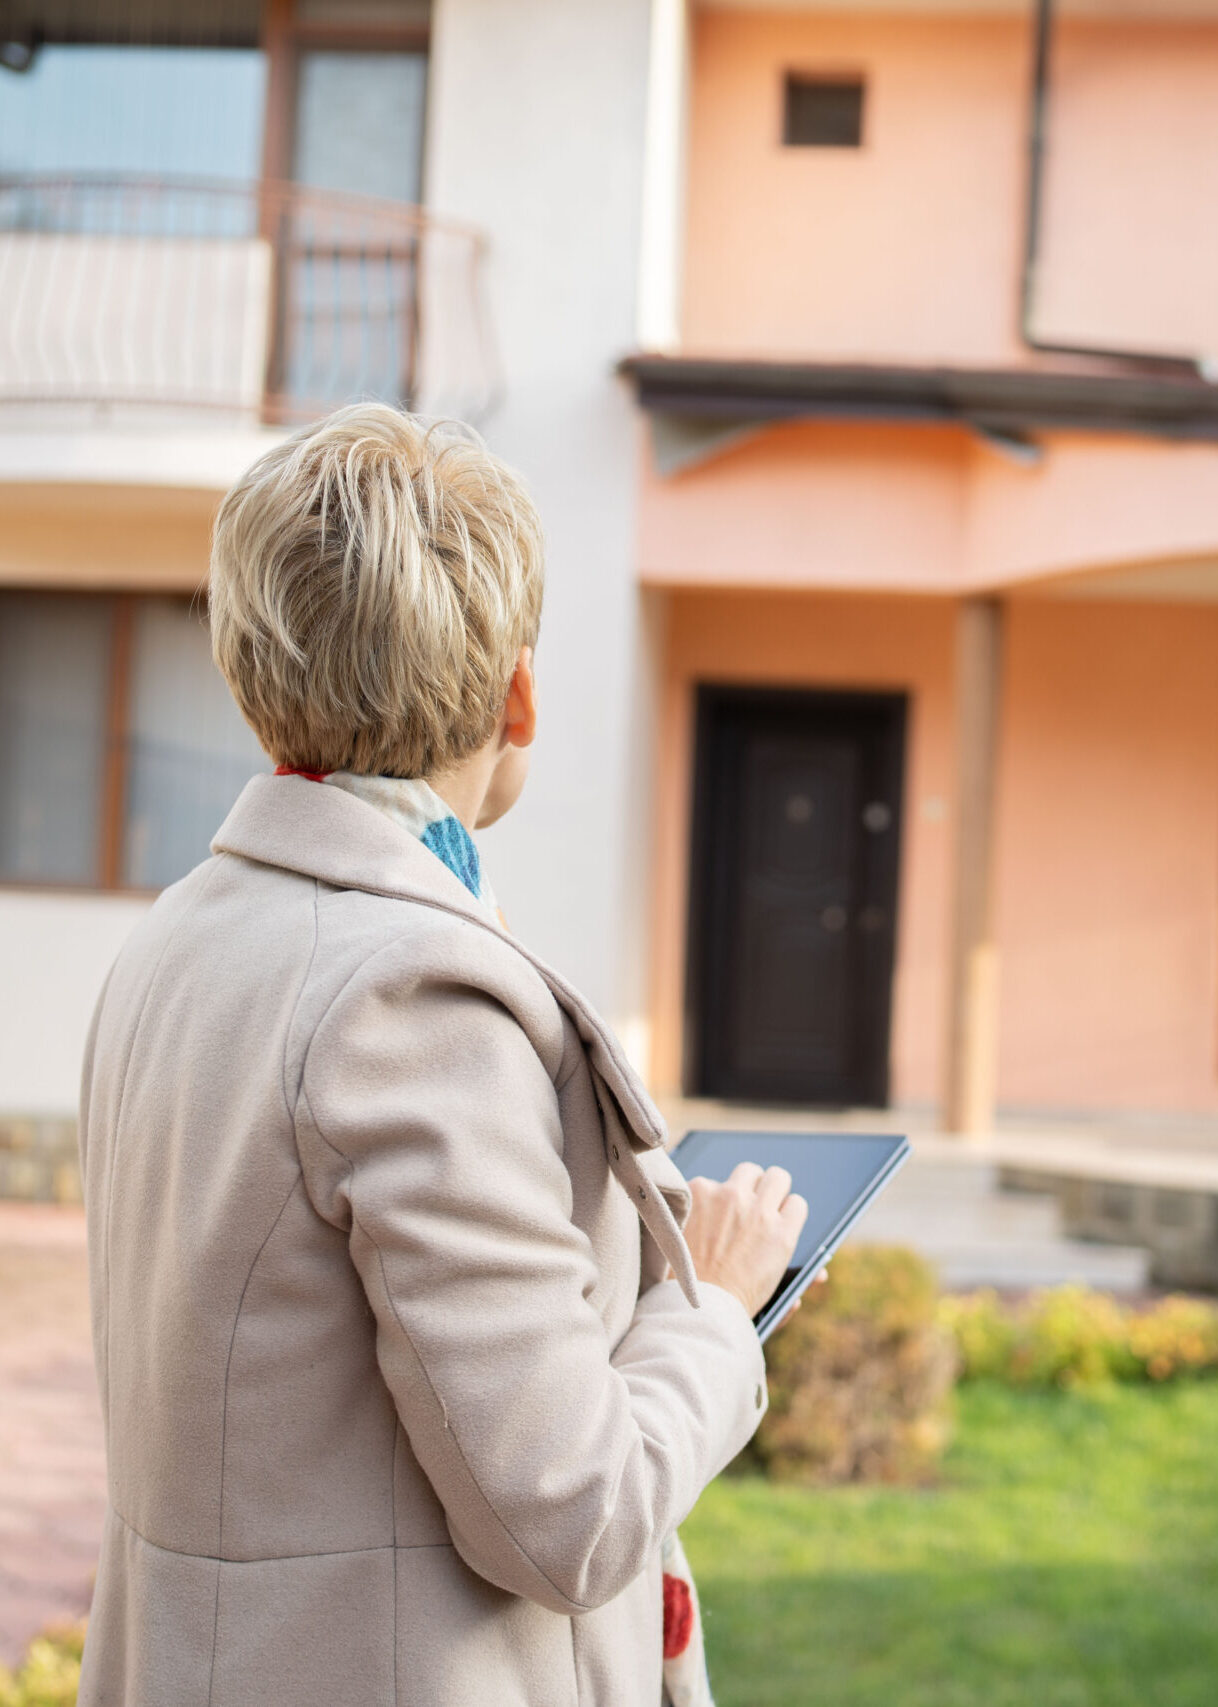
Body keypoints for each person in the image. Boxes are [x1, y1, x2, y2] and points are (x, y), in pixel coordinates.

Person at [75, 404, 805, 1707]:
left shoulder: (181, 937)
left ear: (251, 680)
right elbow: (569, 1511)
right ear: (518, 693)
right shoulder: (407, 993)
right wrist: (712, 1306)